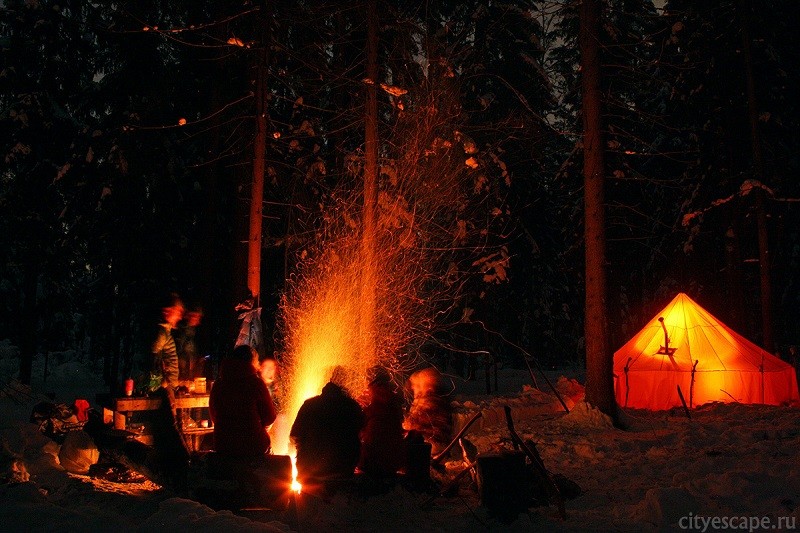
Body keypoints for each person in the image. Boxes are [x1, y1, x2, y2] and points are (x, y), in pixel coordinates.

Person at [290, 366, 364, 487]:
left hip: (310, 473)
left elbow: (295, 435)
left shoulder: (309, 404)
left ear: (329, 380)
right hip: (343, 471)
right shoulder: (352, 407)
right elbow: (361, 434)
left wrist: (302, 456)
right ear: (346, 383)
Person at [209, 344, 277, 458]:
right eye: (257, 361)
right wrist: (260, 430)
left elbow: (214, 417)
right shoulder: (256, 384)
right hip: (253, 446)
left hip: (223, 445)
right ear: (251, 362)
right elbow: (269, 418)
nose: (259, 364)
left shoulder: (218, 384)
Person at [358, 366, 405, 478]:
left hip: (372, 464)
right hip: (393, 464)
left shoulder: (375, 407)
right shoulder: (394, 404)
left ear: (375, 385)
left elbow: (360, 428)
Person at [150, 293, 184, 391]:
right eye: (177, 312)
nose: (180, 317)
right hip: (164, 388)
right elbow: (154, 360)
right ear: (167, 311)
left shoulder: (165, 332)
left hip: (168, 386)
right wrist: (162, 384)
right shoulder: (161, 333)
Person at [176, 304, 205, 381]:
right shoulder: (181, 330)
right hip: (181, 368)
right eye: (196, 316)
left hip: (188, 367)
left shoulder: (192, 331)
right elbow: (178, 349)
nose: (198, 321)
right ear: (188, 315)